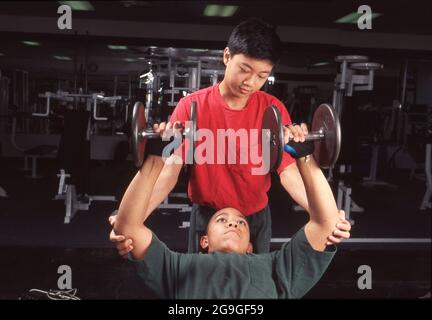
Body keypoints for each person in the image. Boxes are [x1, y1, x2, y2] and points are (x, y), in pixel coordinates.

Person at [115, 18, 346, 253]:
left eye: (262, 75)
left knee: (256, 286)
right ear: (227, 56)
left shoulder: (272, 110)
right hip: (207, 218)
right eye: (244, 70)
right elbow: (169, 173)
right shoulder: (190, 106)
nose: (251, 82)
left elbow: (289, 173)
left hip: (255, 219)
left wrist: (328, 216)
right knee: (200, 285)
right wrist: (129, 219)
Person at [110, 138, 350, 299]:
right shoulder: (178, 267)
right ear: (203, 241)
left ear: (250, 247)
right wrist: (155, 156)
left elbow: (325, 224)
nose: (232, 222)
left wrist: (305, 157)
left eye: (241, 222)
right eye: (221, 220)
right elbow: (128, 227)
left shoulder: (275, 267)